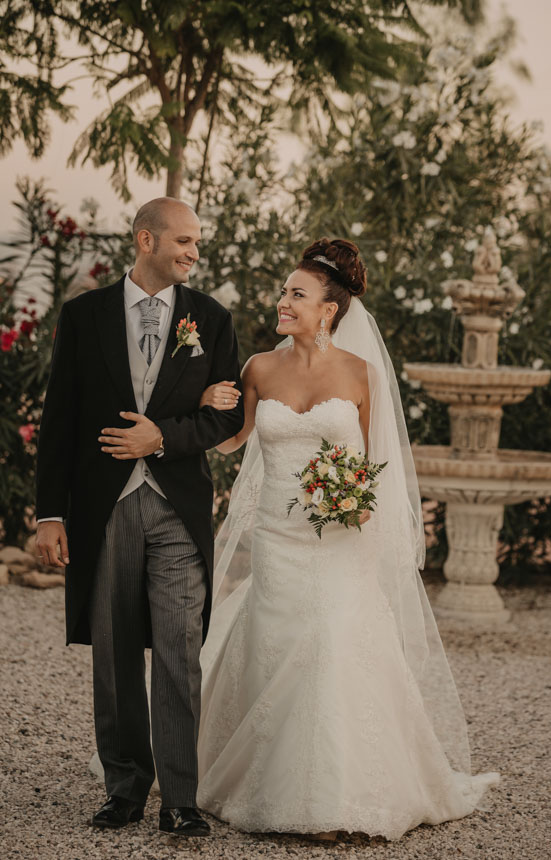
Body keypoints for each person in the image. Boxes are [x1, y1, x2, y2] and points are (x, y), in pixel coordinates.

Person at [195, 237, 499, 841]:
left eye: (296, 294)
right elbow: (232, 442)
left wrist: (354, 504)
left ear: (329, 309)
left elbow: (370, 460)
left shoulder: (361, 374)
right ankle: (271, 785)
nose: (282, 302)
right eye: (284, 292)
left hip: (339, 541)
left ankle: (341, 798)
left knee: (333, 648)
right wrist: (204, 402)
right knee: (279, 648)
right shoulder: (258, 367)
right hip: (279, 541)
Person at [35, 197, 244, 837]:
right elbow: (60, 418)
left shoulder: (210, 318)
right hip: (104, 508)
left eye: (198, 245)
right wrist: (49, 514)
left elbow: (229, 416)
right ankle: (124, 788)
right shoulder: (84, 316)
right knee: (116, 651)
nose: (193, 253)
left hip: (177, 507)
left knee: (181, 651)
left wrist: (163, 439)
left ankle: (180, 797)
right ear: (145, 239)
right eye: (183, 241)